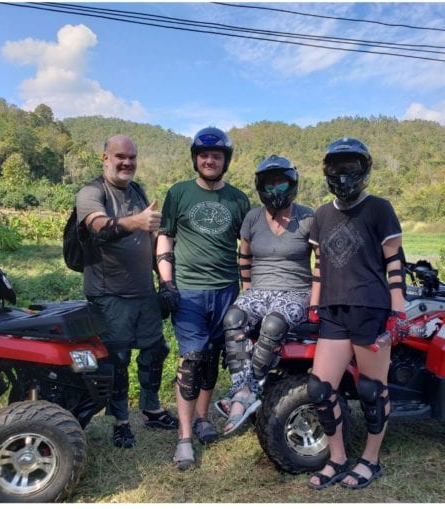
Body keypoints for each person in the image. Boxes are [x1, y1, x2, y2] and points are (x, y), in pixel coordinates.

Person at [305, 138, 404, 490]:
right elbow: (319, 266)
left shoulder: (379, 208)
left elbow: (394, 263)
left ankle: (371, 460)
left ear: (364, 169)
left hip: (371, 309)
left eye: (350, 167)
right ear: (326, 171)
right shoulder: (320, 214)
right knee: (319, 388)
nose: (343, 175)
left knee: (371, 390)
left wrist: (397, 313)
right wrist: (314, 306)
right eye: (336, 168)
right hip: (333, 311)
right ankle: (338, 458)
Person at [75, 134, 179, 449]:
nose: (127, 163)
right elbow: (100, 228)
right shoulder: (91, 193)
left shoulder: (137, 191)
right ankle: (120, 422)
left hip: (143, 293)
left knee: (156, 351)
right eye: (120, 156)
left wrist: (164, 282)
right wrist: (138, 221)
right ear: (105, 158)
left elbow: (149, 240)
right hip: (110, 295)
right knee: (117, 359)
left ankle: (151, 408)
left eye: (132, 157)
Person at [156, 127, 250, 469]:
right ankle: (184, 436)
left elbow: (247, 247)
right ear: (196, 158)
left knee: (212, 358)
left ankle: (202, 417)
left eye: (216, 156)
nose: (209, 160)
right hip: (189, 290)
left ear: (226, 161)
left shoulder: (239, 200)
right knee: (191, 360)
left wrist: (250, 289)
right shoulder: (179, 193)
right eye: (204, 155)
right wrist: (166, 283)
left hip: (227, 290)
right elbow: (165, 237)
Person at [216, 155, 316, 435]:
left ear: (292, 185)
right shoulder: (253, 217)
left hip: (296, 291)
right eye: (269, 185)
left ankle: (249, 389)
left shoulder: (308, 217)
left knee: (272, 324)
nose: (275, 191)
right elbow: (244, 257)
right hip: (259, 290)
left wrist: (317, 299)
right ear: (260, 186)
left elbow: (321, 263)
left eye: (281, 185)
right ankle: (241, 391)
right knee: (234, 317)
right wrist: (248, 293)